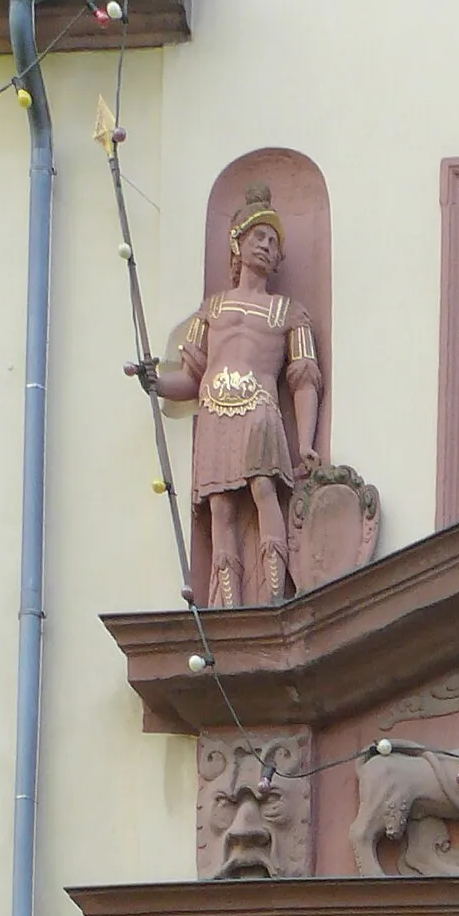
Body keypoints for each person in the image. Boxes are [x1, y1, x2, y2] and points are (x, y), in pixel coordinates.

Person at [142, 188, 321, 607]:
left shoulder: (288, 312)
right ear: (237, 243)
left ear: (279, 259)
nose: (265, 244)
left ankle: (275, 596)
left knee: (264, 490)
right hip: (214, 413)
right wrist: (155, 382)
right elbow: (189, 378)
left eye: (273, 241)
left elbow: (304, 378)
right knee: (220, 510)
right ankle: (228, 605)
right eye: (258, 235)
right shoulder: (213, 309)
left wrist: (307, 442)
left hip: (260, 408)